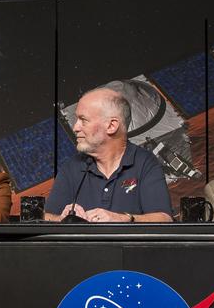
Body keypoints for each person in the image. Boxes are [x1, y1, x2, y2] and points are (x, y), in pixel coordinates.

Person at [44, 87, 173, 222]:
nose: (75, 127)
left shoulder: (145, 162)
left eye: (83, 120)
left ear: (112, 125)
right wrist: (62, 219)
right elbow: (46, 217)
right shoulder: (71, 167)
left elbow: (164, 218)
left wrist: (121, 219)